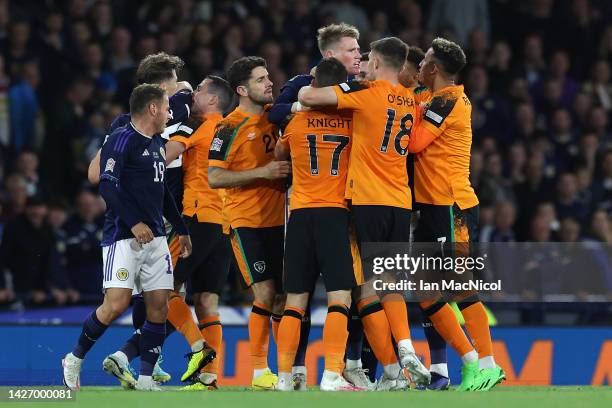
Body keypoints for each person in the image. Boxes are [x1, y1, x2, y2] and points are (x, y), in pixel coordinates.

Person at [298, 36, 430, 389]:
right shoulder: (411, 101)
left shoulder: (366, 94)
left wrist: (341, 84)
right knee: (390, 282)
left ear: (376, 63)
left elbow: (308, 96)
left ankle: (380, 364)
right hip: (401, 201)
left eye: (367, 59)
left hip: (367, 199)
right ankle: (404, 349)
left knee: (365, 287)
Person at [89, 53, 214, 388]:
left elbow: (92, 172)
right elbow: (97, 175)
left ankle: (144, 359)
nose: (182, 87)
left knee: (160, 295)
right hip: (168, 213)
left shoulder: (123, 121)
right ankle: (143, 355)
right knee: (168, 295)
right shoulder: (178, 108)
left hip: (162, 216)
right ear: (161, 90)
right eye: (175, 82)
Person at [61, 84, 192, 392]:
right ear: (153, 109)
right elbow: (107, 186)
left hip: (157, 238)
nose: (170, 113)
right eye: (166, 107)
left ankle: (146, 378)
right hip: (123, 237)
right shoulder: (122, 139)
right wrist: (133, 223)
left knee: (159, 305)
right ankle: (74, 357)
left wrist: (182, 229)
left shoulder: (160, 143)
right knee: (115, 304)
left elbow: (162, 195)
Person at [268, 22, 371, 390]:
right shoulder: (351, 120)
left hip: (298, 213)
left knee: (295, 299)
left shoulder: (294, 123)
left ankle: (283, 376)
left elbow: (281, 151)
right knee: (341, 296)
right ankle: (331, 373)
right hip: (334, 212)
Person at [408, 37, 506, 391]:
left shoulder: (449, 100)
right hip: (434, 207)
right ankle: (472, 361)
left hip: (451, 206)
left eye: (424, 62)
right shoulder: (435, 99)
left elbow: (416, 142)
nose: (419, 66)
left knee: (456, 288)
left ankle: (487, 365)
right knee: (427, 292)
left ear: (434, 68)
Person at [208, 56, 289, 390]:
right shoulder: (229, 127)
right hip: (245, 221)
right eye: (260, 79)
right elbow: (214, 177)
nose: (269, 83)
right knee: (266, 292)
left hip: (281, 220)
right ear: (242, 89)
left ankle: (286, 371)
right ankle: (258, 372)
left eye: (268, 76)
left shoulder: (277, 117)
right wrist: (263, 172)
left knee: (284, 297)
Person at [162, 75, 235, 390]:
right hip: (226, 224)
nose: (194, 94)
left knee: (163, 290)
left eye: (200, 90)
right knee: (207, 300)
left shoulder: (198, 125)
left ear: (213, 100)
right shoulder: (233, 129)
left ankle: (199, 348)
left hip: (197, 217)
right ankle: (209, 377)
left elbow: (165, 156)